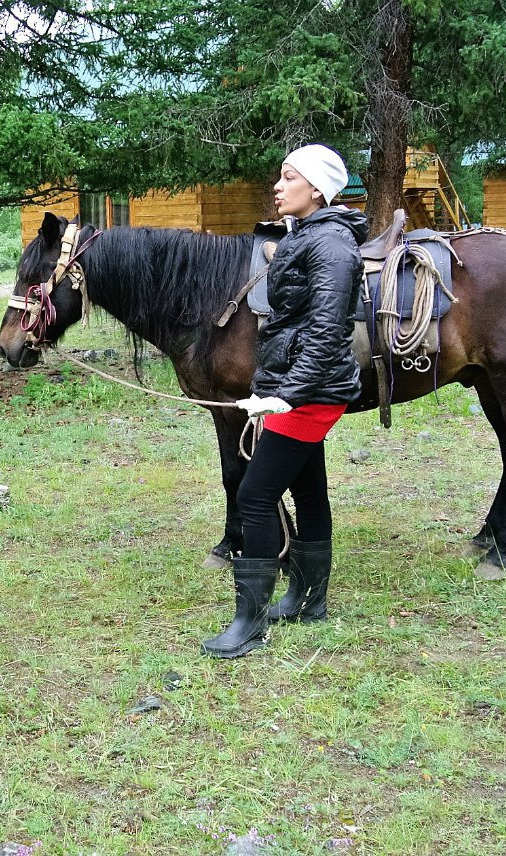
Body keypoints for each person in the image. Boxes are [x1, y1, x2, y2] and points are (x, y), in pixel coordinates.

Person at [201, 144, 368, 659]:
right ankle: (308, 601)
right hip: (298, 389)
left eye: (289, 177)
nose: (278, 186)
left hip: (311, 393)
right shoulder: (309, 234)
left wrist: (285, 396)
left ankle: (249, 624)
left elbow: (326, 332)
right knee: (309, 490)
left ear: (316, 188)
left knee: (254, 497)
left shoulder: (332, 245)